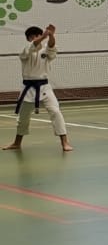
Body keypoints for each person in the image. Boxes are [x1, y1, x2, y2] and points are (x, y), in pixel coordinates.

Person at [6, 24, 70, 153]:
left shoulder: (45, 50)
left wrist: (51, 35)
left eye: (37, 35)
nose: (35, 38)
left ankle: (65, 142)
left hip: (45, 87)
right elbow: (34, 45)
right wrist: (44, 36)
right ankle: (17, 143)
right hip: (28, 88)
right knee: (23, 117)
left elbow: (51, 46)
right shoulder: (25, 50)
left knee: (56, 112)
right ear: (28, 38)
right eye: (32, 36)